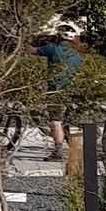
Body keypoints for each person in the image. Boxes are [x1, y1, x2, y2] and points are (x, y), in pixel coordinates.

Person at [36, 32, 84, 160]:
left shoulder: (52, 49)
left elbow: (32, 51)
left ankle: (57, 152)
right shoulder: (77, 56)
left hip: (56, 90)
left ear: (58, 38)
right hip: (71, 91)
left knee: (55, 120)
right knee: (66, 119)